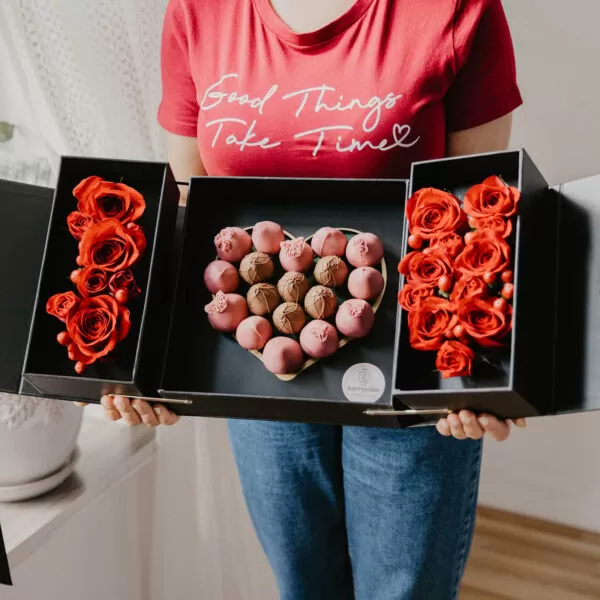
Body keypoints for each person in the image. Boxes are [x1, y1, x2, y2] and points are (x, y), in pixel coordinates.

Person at [95, 0, 528, 598]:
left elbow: (479, 208)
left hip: (410, 369)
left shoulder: (456, 10)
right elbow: (190, 209)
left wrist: (482, 378)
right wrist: (153, 366)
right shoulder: (199, 11)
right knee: (302, 585)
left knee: (403, 590)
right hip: (258, 370)